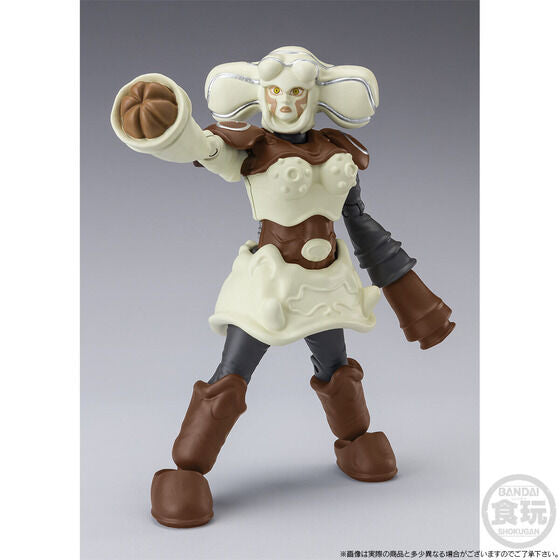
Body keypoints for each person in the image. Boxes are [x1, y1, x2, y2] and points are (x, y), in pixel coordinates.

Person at [110, 46, 455, 528]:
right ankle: (186, 471)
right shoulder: (252, 150)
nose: (286, 102)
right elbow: (205, 149)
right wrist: (168, 127)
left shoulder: (339, 152)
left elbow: (360, 224)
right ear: (259, 95)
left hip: (327, 281)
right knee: (232, 375)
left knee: (337, 368)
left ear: (316, 96)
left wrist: (412, 298)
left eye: (297, 92)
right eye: (275, 91)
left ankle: (356, 441)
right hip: (270, 281)